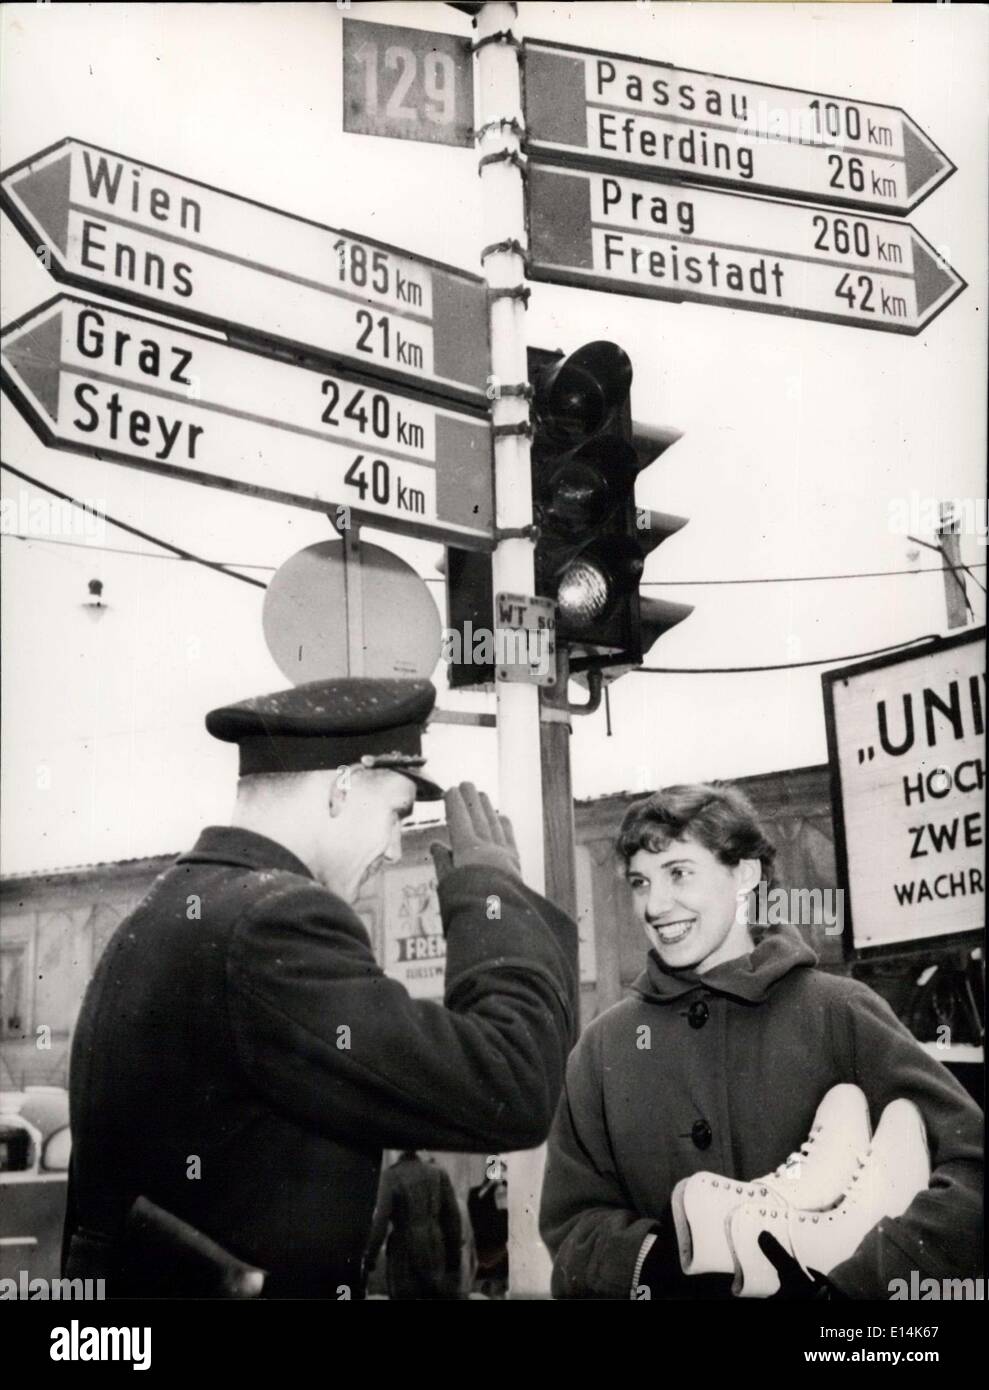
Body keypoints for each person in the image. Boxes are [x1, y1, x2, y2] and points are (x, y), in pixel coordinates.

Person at [63, 676, 578, 1298]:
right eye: (395, 814)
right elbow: (510, 1083)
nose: (393, 849)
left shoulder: (171, 909)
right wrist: (493, 900)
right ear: (342, 789)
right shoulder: (276, 923)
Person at [539, 782, 983, 1300]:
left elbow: (972, 1164)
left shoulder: (837, 1010)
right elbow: (572, 1227)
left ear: (744, 875)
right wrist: (661, 1267)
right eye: (640, 882)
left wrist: (853, 1288)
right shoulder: (603, 1047)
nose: (654, 905)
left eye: (679, 873)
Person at [364, 1151, 462, 1300]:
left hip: (403, 1248)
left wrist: (370, 1258)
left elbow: (380, 1220)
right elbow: (453, 1218)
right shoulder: (438, 1173)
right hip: (435, 1246)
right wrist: (454, 1257)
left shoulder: (391, 1176)